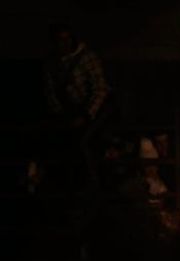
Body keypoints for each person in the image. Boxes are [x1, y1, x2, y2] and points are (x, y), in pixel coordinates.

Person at [43, 23, 112, 187]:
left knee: (83, 141)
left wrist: (87, 115)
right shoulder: (52, 63)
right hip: (71, 112)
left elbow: (100, 89)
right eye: (60, 40)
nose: (64, 44)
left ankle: (94, 184)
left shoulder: (87, 58)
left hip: (95, 109)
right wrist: (61, 115)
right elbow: (50, 92)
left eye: (67, 39)